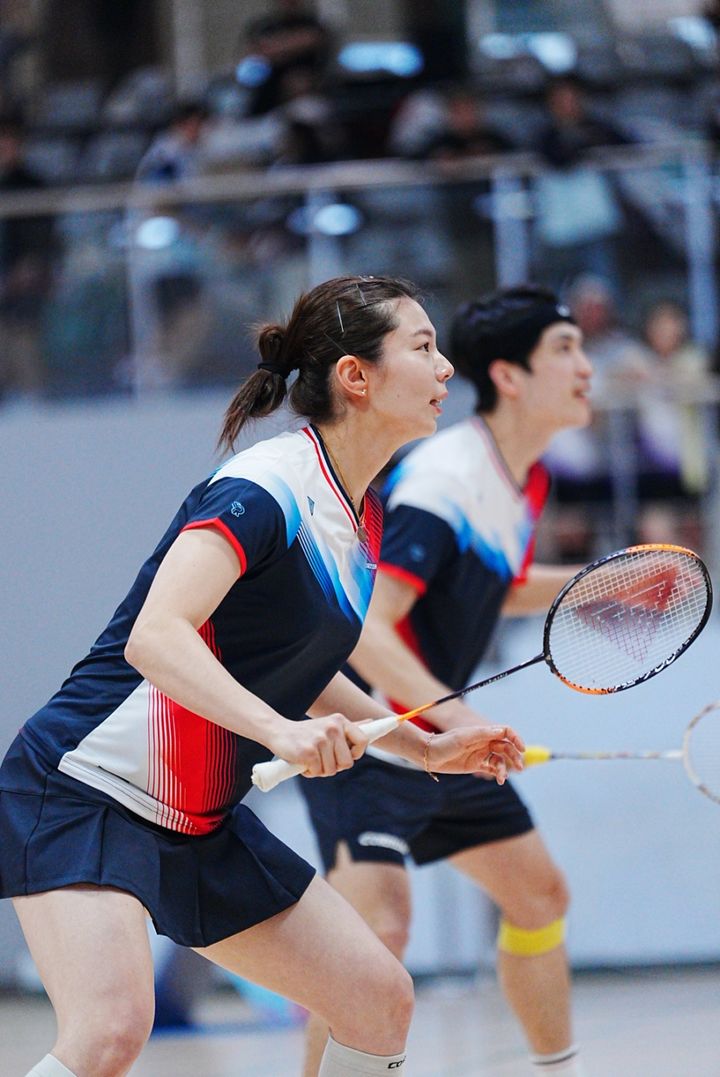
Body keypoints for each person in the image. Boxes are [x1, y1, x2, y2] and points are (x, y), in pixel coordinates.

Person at [0, 274, 525, 1077]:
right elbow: (157, 636)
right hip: (85, 788)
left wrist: (423, 745)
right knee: (109, 1032)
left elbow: (299, 660)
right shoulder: (266, 485)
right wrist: (279, 731)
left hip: (199, 820)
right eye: (423, 347)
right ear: (357, 376)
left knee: (377, 998)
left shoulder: (361, 512)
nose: (447, 367)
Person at [300, 285, 594, 1077]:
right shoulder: (444, 478)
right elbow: (371, 621)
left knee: (539, 893)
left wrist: (600, 583)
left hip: (441, 729)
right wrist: (453, 718)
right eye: (566, 349)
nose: (587, 368)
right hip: (365, 727)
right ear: (510, 376)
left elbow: (489, 577)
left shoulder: (517, 479)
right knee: (373, 941)